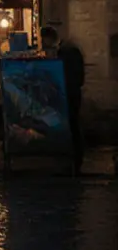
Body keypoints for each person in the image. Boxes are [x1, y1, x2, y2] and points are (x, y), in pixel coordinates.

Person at [41, 25, 86, 172]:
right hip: (70, 93)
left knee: (72, 125)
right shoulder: (67, 50)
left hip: (70, 94)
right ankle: (72, 159)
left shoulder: (68, 52)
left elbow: (72, 75)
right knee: (72, 125)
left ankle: (75, 160)